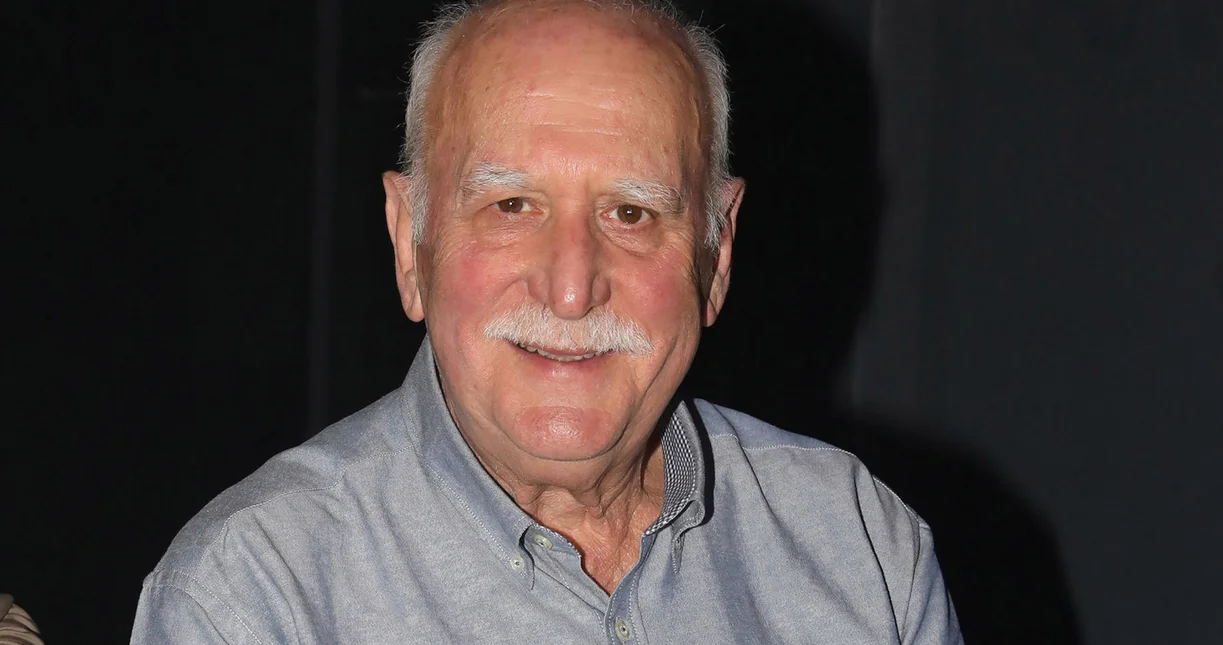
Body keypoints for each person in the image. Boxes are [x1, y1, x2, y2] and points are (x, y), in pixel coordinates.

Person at [131, 0, 962, 642]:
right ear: (410, 244)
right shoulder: (252, 596)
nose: (571, 289)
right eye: (512, 205)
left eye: (631, 213)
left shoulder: (861, 548)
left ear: (717, 254)